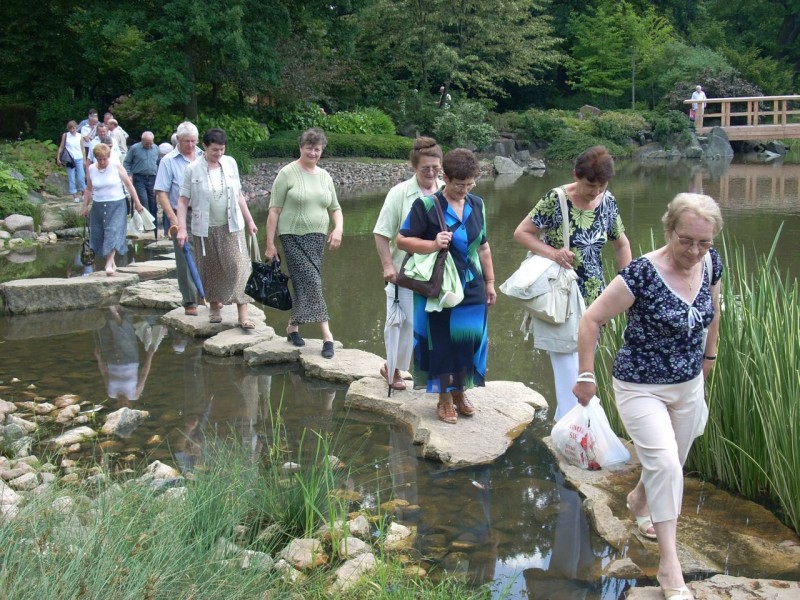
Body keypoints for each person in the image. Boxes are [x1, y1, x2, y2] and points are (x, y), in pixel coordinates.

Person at [572, 193, 723, 600]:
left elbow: (714, 305)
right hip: (641, 387)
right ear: (668, 229)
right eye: (686, 240)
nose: (694, 251)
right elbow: (592, 319)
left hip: (688, 383)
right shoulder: (640, 275)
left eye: (703, 242)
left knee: (672, 462)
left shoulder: (711, 261)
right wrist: (586, 374)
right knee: (668, 467)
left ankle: (638, 499)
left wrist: (710, 354)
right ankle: (670, 569)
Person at [513, 145, 631, 422]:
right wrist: (553, 252)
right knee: (568, 369)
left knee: (584, 368)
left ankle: (564, 427)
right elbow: (522, 233)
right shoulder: (556, 200)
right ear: (576, 175)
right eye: (591, 185)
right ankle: (579, 431)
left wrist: (628, 286)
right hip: (560, 296)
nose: (595, 192)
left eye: (601, 186)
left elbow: (622, 244)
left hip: (595, 297)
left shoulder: (608, 201)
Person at [396, 148, 496, 424]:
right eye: (459, 184)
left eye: (470, 184)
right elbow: (402, 240)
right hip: (441, 286)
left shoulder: (478, 204)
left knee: (469, 339)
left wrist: (490, 281)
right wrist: (432, 243)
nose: (465, 189)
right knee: (442, 342)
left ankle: (462, 391)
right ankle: (444, 398)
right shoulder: (427, 206)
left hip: (472, 283)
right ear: (446, 178)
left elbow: (484, 246)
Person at [266, 128, 343, 359]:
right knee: (312, 281)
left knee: (305, 282)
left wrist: (338, 228)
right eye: (309, 147)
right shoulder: (287, 174)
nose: (313, 152)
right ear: (301, 147)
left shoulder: (325, 176)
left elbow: (335, 208)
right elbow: (274, 211)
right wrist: (270, 244)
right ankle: (327, 336)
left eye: (317, 149)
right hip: (292, 236)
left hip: (318, 237)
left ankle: (292, 327)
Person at [374, 137, 444, 390]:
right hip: (404, 270)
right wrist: (387, 266)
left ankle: (433, 374)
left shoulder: (445, 190)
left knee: (435, 324)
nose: (432, 173)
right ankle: (392, 367)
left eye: (436, 167)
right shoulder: (400, 193)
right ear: (414, 166)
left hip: (438, 272)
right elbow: (381, 233)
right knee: (401, 322)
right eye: (426, 168)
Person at [176, 128, 258, 328]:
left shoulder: (230, 163)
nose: (219, 153)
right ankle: (214, 308)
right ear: (204, 147)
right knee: (211, 268)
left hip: (231, 225)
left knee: (239, 267)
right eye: (215, 150)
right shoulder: (192, 168)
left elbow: (239, 195)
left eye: (222, 149)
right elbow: (182, 200)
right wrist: (182, 229)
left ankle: (243, 315)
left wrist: (249, 220)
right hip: (204, 228)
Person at [155, 121, 202, 316]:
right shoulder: (169, 160)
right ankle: (190, 300)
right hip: (181, 213)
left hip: (205, 212)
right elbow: (161, 192)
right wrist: (172, 217)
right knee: (185, 256)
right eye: (186, 141)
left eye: (194, 141)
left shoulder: (203, 156)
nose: (191, 145)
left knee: (207, 254)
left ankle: (209, 296)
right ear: (178, 140)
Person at [81, 143, 144, 276]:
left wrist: (137, 203)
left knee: (113, 231)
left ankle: (108, 263)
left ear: (109, 157)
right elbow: (88, 189)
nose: (103, 162)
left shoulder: (116, 166)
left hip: (117, 204)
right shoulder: (92, 168)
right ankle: (112, 262)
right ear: (96, 158)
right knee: (100, 234)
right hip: (98, 205)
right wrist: (85, 206)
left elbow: (129, 185)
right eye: (99, 159)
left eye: (105, 159)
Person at [124, 131, 159, 221]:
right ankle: (146, 222)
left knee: (153, 200)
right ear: (142, 140)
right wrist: (129, 175)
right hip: (139, 178)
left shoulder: (155, 148)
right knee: (143, 200)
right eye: (147, 143)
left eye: (151, 142)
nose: (149, 145)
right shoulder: (134, 148)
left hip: (152, 178)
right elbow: (126, 162)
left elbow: (158, 163)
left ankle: (153, 222)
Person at [56, 120, 86, 202]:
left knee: (81, 176)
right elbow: (61, 147)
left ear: (76, 127)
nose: (72, 130)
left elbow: (83, 148)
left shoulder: (80, 136)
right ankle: (74, 195)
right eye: (70, 128)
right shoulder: (65, 135)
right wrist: (58, 157)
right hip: (69, 159)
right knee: (71, 177)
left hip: (79, 158)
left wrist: (84, 160)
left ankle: (83, 193)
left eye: (74, 128)